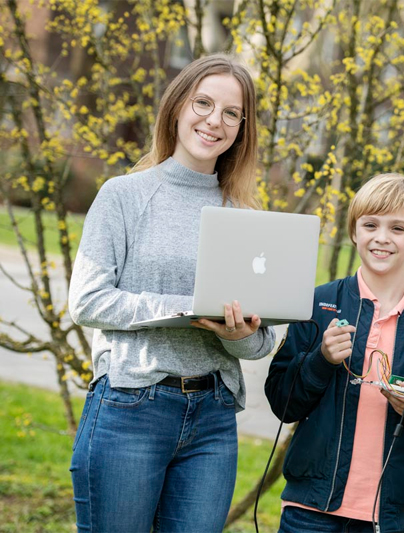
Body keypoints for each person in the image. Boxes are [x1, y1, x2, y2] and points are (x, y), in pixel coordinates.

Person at [68, 54, 276, 532]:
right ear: (178, 106)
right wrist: (183, 309)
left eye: (231, 113)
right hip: (130, 407)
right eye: (203, 103)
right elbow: (87, 300)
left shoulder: (247, 219)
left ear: (242, 128)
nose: (214, 121)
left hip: (213, 418)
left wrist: (234, 332)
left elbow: (261, 342)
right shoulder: (123, 196)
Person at [265, 173, 404, 533]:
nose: (382, 238)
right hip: (310, 509)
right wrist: (320, 361)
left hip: (385, 518)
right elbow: (283, 402)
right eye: (370, 224)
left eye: (398, 228)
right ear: (354, 231)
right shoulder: (316, 303)